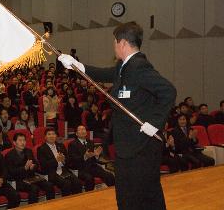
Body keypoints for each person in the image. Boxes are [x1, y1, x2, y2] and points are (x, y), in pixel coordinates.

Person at [58, 22, 177, 209]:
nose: (114, 47)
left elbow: (168, 91)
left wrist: (154, 123)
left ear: (122, 43)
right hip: (130, 146)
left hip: (140, 147)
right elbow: (103, 73)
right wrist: (76, 65)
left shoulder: (138, 67)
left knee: (135, 198)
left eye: (114, 42)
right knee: (144, 197)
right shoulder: (124, 66)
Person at [5, 133, 55, 204]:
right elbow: (11, 172)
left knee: (49, 185)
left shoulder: (28, 151)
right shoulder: (9, 155)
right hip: (19, 180)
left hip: (32, 178)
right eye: (20, 140)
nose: (23, 142)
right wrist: (24, 168)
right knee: (34, 188)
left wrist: (33, 167)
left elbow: (36, 165)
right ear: (14, 143)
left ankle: (51, 206)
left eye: (24, 140)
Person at [37, 128, 82, 196]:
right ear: (45, 137)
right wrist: (56, 160)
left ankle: (75, 201)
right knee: (66, 183)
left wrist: (64, 161)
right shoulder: (41, 149)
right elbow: (44, 165)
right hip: (52, 173)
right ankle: (65, 203)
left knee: (77, 182)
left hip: (63, 171)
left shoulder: (60, 146)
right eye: (49, 134)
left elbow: (68, 161)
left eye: (53, 134)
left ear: (56, 136)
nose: (51, 136)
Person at [67, 125, 115, 191]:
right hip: (80, 168)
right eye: (80, 130)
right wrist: (85, 157)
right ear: (76, 133)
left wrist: (96, 155)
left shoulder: (90, 142)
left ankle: (112, 193)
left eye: (83, 129)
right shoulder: (72, 144)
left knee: (109, 175)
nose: (82, 131)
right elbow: (73, 160)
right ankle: (89, 197)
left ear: (86, 132)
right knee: (89, 179)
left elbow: (94, 158)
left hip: (92, 166)